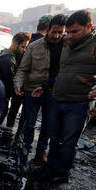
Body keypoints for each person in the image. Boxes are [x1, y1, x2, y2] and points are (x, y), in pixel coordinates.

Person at [44, 10, 96, 184]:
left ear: (89, 27)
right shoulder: (66, 42)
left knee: (68, 141)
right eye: (67, 32)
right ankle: (51, 167)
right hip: (58, 99)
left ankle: (62, 172)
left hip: (79, 103)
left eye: (74, 32)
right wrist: (47, 87)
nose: (69, 36)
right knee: (54, 137)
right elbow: (61, 70)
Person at [14, 14, 67, 163]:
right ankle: (25, 150)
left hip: (53, 92)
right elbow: (22, 69)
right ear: (47, 30)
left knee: (48, 124)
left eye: (60, 32)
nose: (56, 36)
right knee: (29, 123)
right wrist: (18, 84)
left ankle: (41, 152)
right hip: (33, 90)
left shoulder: (68, 46)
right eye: (54, 32)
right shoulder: (33, 46)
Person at [0, 32, 31, 127]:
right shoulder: (8, 60)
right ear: (15, 44)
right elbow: (9, 81)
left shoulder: (7, 55)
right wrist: (17, 91)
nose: (24, 50)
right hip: (1, 96)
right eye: (23, 47)